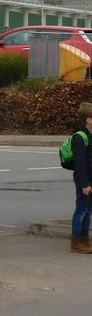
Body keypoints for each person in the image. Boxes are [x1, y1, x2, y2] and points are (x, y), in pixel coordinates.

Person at [71, 102, 92, 253]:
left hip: (90, 179)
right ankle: (76, 241)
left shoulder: (89, 135)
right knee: (81, 209)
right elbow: (80, 164)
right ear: (88, 120)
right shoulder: (79, 137)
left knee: (88, 209)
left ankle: (84, 237)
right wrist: (85, 183)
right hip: (84, 180)